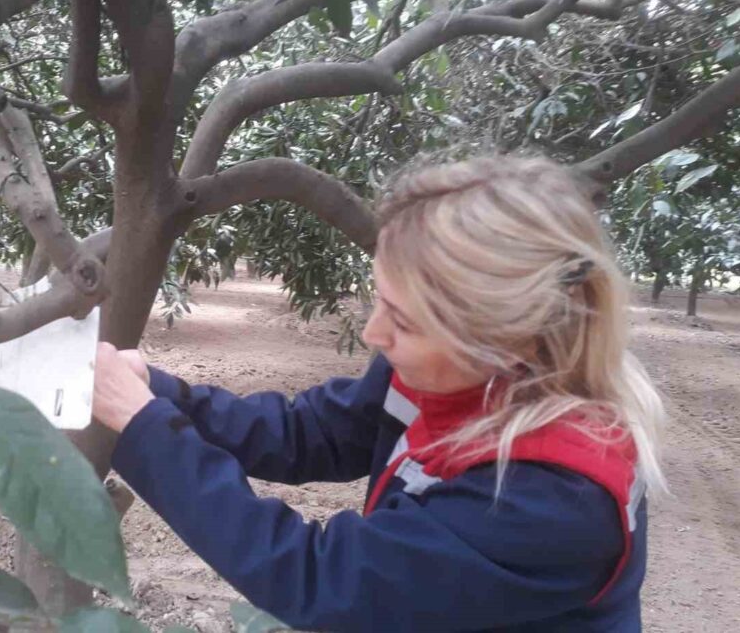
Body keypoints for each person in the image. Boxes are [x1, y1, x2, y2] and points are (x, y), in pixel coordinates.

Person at [91, 156, 666, 632]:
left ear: (508, 339)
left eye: (405, 321)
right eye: (379, 301)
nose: (373, 334)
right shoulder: (441, 374)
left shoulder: (551, 500)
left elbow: (322, 582)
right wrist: (160, 395)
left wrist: (147, 432)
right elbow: (307, 432)